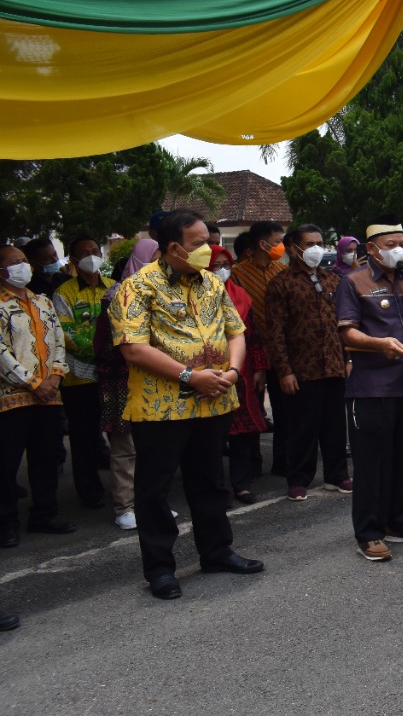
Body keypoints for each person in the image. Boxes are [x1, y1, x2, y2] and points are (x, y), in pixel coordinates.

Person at [108, 210, 263, 600]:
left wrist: (231, 371)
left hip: (214, 401)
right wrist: (189, 376)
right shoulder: (138, 288)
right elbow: (133, 348)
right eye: (199, 244)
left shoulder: (213, 284)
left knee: (210, 481)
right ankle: (160, 568)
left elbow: (236, 332)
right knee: (154, 490)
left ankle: (217, 551)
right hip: (162, 408)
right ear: (174, 247)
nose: (209, 249)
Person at [336, 215, 403, 562]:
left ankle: (400, 523)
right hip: (372, 387)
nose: (398, 251)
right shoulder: (354, 283)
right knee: (371, 464)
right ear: (372, 249)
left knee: (401, 460)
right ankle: (369, 532)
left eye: (401, 244)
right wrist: (380, 344)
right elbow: (347, 332)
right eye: (391, 245)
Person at [265, 225, 350, 502]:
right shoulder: (281, 283)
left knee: (335, 425)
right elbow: (275, 332)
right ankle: (299, 478)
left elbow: (344, 324)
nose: (316, 248)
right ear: (292, 248)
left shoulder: (333, 280)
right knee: (302, 428)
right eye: (309, 243)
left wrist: (348, 358)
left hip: (334, 365)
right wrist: (284, 371)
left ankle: (337, 475)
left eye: (319, 242)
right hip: (303, 369)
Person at [0, 244, 75, 548]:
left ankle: (44, 514)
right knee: (6, 464)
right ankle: (6, 522)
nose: (23, 267)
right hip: (12, 397)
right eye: (14, 263)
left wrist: (56, 375)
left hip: (49, 395)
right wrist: (33, 382)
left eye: (23, 261)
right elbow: (2, 354)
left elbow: (58, 340)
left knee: (46, 458)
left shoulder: (42, 301)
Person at [94, 239, 158, 529]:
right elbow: (107, 345)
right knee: (125, 447)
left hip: (155, 379)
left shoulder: (160, 292)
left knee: (153, 447)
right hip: (121, 380)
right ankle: (125, 507)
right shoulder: (117, 296)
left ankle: (151, 504)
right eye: (155, 258)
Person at [52, 235, 113, 512]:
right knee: (84, 437)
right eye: (84, 253)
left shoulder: (115, 287)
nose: (91, 255)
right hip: (80, 376)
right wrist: (102, 352)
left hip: (114, 374)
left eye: (95, 250)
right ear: (74, 260)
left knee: (121, 435)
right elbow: (66, 333)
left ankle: (125, 488)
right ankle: (89, 491)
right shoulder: (63, 293)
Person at [210, 244, 268, 505]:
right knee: (213, 435)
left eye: (226, 265)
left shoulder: (241, 295)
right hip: (209, 371)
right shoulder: (196, 296)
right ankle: (216, 488)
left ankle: (241, 485)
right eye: (216, 266)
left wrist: (258, 369)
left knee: (243, 434)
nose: (222, 271)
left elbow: (252, 336)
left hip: (241, 372)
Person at [230, 220, 289, 476]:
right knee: (251, 410)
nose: (281, 246)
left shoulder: (282, 270)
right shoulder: (238, 274)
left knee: (285, 410)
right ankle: (250, 467)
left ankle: (283, 462)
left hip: (282, 352)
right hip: (252, 353)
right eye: (277, 242)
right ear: (262, 244)